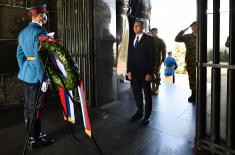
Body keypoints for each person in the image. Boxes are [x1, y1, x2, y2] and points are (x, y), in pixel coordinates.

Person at [16, 3, 55, 149]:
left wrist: (25, 68)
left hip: (27, 75)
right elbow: (39, 57)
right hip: (37, 76)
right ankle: (35, 139)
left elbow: (19, 54)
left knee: (29, 107)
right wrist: (43, 78)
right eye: (44, 14)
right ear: (39, 15)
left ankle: (31, 135)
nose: (45, 16)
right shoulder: (40, 32)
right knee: (36, 108)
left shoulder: (23, 32)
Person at [127, 20, 155, 125]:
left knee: (147, 95)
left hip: (145, 74)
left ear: (142, 27)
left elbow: (152, 57)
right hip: (133, 73)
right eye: (134, 26)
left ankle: (147, 116)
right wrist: (128, 71)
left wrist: (149, 73)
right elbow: (129, 56)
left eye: (137, 26)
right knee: (137, 94)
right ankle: (139, 112)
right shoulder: (131, 39)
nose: (135, 27)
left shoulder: (149, 39)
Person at [175, 21, 197, 103]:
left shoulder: (203, 36)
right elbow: (176, 39)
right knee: (191, 78)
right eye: (193, 26)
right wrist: (184, 30)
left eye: (196, 26)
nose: (194, 28)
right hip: (191, 61)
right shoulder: (188, 36)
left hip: (201, 62)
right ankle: (193, 94)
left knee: (200, 78)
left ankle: (200, 93)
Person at [149, 28, 166, 95]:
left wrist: (163, 59)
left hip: (157, 60)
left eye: (154, 31)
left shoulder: (160, 40)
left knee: (157, 74)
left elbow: (164, 49)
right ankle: (152, 88)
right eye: (152, 32)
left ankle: (157, 89)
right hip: (150, 60)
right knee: (151, 73)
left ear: (157, 32)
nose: (153, 33)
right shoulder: (148, 40)